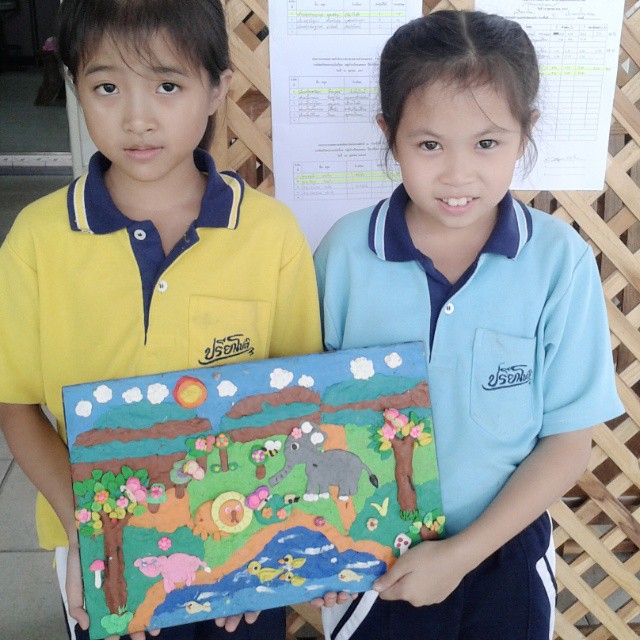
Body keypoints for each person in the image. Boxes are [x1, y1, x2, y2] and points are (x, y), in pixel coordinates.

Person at [0, 1, 321, 639]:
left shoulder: (271, 234)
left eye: (167, 86)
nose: (137, 118)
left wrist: (264, 534)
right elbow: (17, 406)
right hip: (99, 545)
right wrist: (90, 531)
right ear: (75, 88)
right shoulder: (36, 239)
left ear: (217, 90)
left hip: (240, 546)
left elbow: (295, 403)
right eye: (107, 87)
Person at [313, 10, 623, 640]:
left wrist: (460, 555)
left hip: (506, 553)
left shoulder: (559, 262)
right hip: (368, 558)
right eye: (429, 145)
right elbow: (301, 414)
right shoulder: (344, 254)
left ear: (525, 132)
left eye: (487, 143)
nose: (457, 174)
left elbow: (568, 443)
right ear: (389, 135)